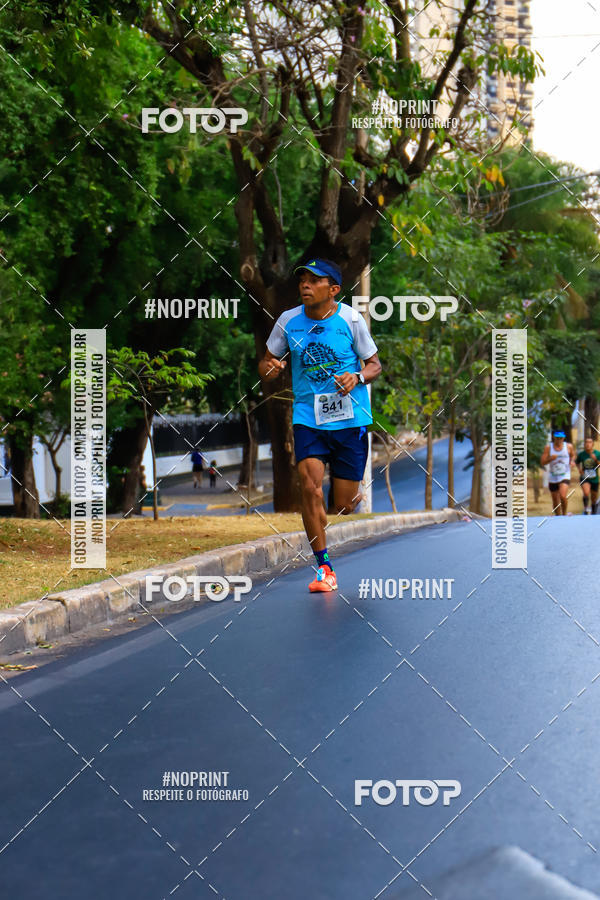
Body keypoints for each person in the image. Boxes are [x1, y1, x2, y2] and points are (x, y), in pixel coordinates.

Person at [258, 258, 382, 593]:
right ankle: (324, 568)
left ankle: (338, 503)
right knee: (309, 488)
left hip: (350, 420)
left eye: (315, 280)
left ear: (334, 289)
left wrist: (357, 377)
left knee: (343, 504)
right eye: (303, 279)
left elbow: (374, 365)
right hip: (308, 418)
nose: (305, 285)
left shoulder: (350, 320)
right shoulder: (288, 321)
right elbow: (266, 361)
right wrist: (270, 368)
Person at [540, 430, 575, 515]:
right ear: (554, 437)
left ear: (563, 438)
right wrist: (550, 458)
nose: (559, 440)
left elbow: (573, 455)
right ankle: (558, 517)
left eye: (561, 438)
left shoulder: (568, 446)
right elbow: (543, 462)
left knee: (563, 496)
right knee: (555, 500)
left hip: (565, 475)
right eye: (557, 438)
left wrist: (572, 461)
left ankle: (564, 514)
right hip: (553, 476)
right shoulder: (548, 447)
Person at [576, 436, 600, 514]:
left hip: (594, 478)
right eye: (586, 442)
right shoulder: (581, 454)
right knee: (586, 492)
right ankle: (586, 508)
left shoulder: (597, 453)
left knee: (594, 498)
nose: (588, 444)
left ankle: (593, 512)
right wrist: (579, 469)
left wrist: (595, 459)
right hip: (585, 477)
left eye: (590, 442)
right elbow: (577, 462)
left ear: (592, 444)